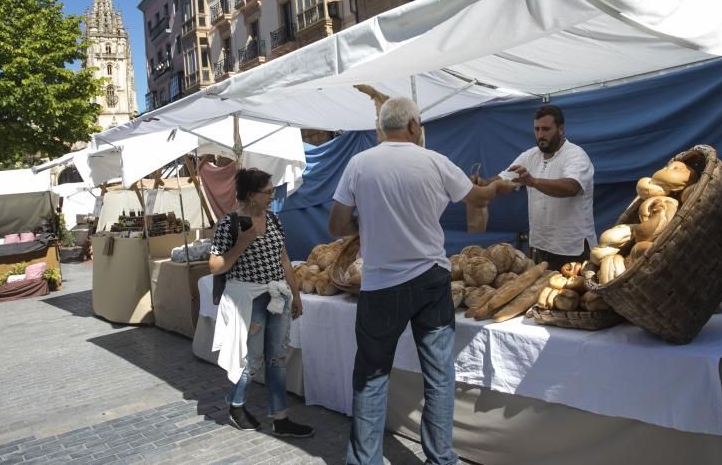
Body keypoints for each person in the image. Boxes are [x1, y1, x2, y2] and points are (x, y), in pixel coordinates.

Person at [328, 97, 503, 465]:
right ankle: (440, 458)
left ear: (382, 128)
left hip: (380, 286)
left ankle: (364, 461)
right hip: (430, 281)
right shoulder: (436, 162)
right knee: (439, 376)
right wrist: (504, 185)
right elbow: (480, 197)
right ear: (412, 126)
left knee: (372, 376)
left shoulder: (359, 164)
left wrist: (368, 223)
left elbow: (337, 225)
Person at [208, 167, 313, 438]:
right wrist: (243, 242)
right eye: (268, 192)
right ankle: (236, 403)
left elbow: (284, 259)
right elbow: (215, 265)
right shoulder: (229, 223)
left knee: (277, 358)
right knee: (251, 360)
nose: (272, 196)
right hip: (249, 300)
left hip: (277, 296)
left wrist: (296, 294)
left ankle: (280, 417)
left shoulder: (274, 219)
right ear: (252, 195)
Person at [505, 104, 595, 270]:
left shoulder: (575, 155)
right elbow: (504, 178)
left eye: (546, 129)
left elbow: (572, 187)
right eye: (537, 129)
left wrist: (533, 182)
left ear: (560, 129)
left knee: (576, 295)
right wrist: (481, 184)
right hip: (540, 245)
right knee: (542, 295)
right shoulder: (530, 156)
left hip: (572, 248)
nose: (540, 135)